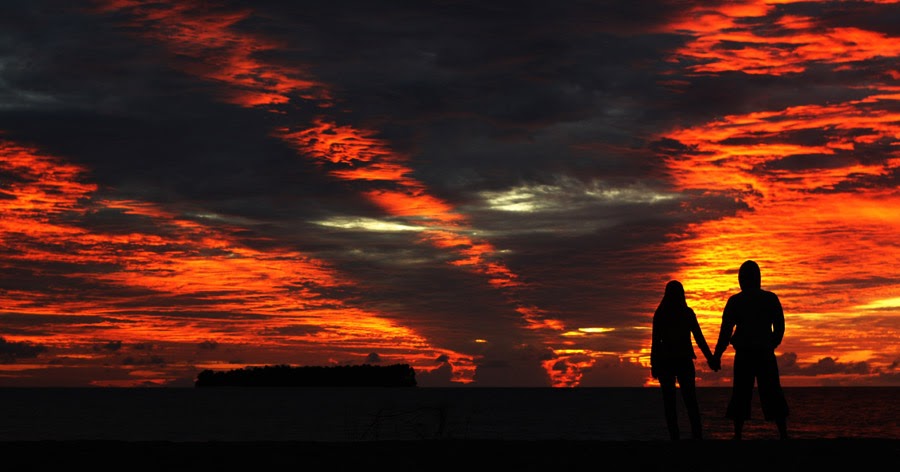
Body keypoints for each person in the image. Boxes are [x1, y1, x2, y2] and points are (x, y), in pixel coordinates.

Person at [711, 260, 789, 440]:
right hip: (762, 352)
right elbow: (780, 327)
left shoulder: (736, 301)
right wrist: (771, 343)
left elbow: (725, 332)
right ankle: (782, 434)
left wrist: (717, 355)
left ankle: (738, 434)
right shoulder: (770, 299)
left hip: (747, 353)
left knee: (741, 393)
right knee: (771, 392)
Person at [650, 280, 718, 440]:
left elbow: (655, 342)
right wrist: (711, 359)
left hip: (669, 362)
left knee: (671, 403)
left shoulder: (661, 314)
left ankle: (676, 438)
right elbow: (699, 339)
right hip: (680, 361)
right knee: (689, 401)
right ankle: (696, 436)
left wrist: (654, 364)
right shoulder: (686, 313)